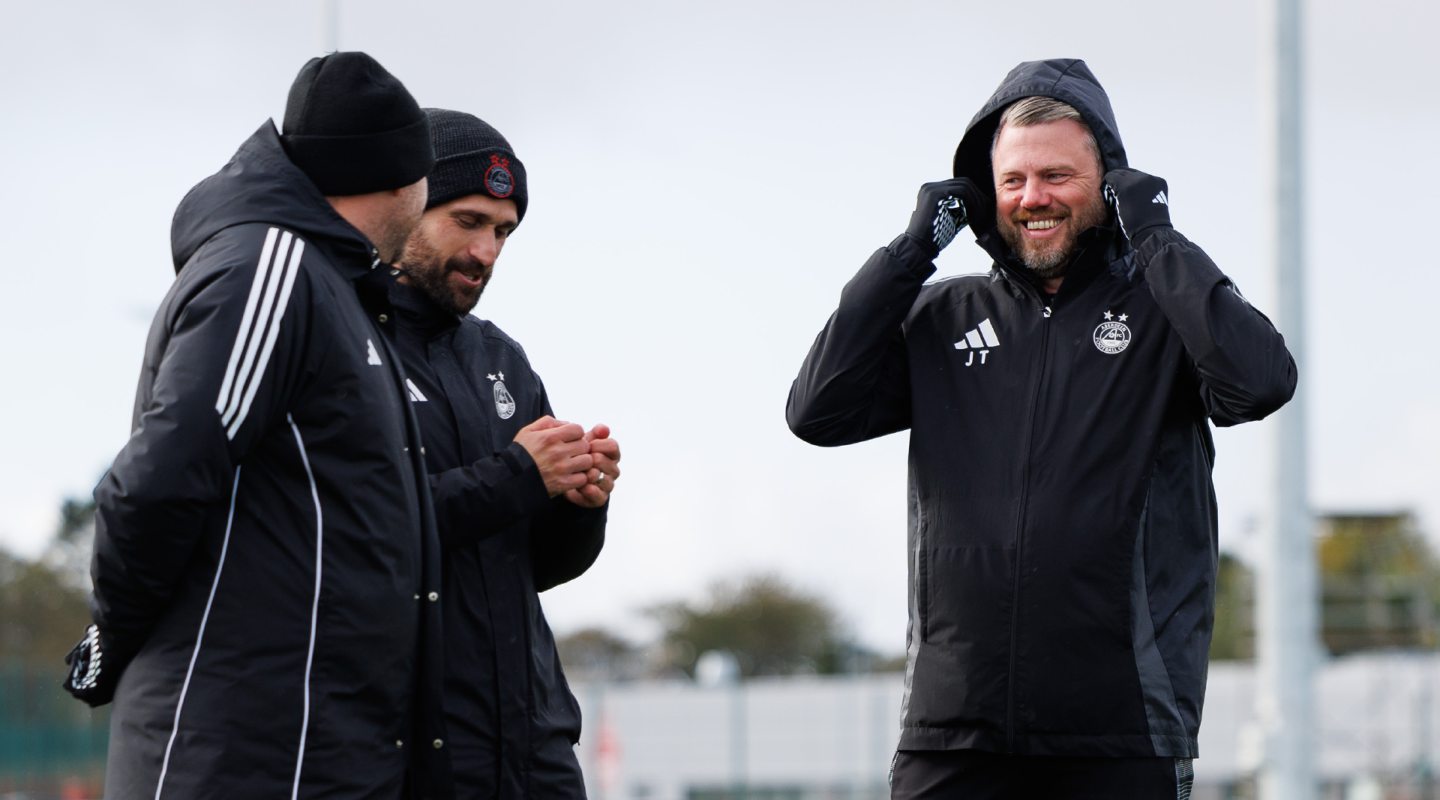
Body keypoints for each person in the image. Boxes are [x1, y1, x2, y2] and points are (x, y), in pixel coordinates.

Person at [786, 58, 1297, 798]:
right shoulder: (940, 316)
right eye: (1014, 180)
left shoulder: (1167, 312)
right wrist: (908, 253)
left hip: (1120, 733)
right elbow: (816, 410)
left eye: (1057, 175)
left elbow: (1261, 381)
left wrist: (1155, 236)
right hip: (952, 733)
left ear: (1108, 181)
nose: (1034, 198)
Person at [63, 52, 450, 799]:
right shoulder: (273, 266)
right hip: (245, 756)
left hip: (316, 751)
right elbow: (160, 482)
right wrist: (115, 637)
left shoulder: (335, 287)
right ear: (404, 179)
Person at [391, 108, 618, 799]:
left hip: (534, 747)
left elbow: (535, 568)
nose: (486, 253)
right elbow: (369, 529)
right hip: (416, 753)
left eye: (503, 232)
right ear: (405, 205)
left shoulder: (501, 359)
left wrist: (580, 506)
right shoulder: (348, 346)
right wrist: (520, 475)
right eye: (466, 222)